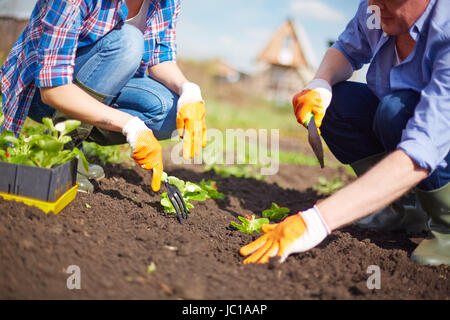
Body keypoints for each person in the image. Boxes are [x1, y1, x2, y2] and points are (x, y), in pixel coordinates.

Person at [240, 0, 449, 266]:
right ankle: (403, 209)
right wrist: (320, 84)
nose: (375, 5)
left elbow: (424, 145)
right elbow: (346, 49)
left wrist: (316, 222)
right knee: (340, 105)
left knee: (395, 111)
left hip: (440, 136)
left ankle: (447, 226)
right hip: (409, 124)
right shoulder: (376, 8)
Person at [0, 0, 207, 193]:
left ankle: (72, 141)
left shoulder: (167, 2)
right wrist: (130, 125)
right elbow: (52, 89)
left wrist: (188, 91)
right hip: (41, 91)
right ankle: (60, 149)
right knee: (129, 42)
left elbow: (159, 58)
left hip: (100, 83)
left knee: (171, 112)